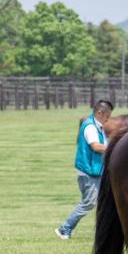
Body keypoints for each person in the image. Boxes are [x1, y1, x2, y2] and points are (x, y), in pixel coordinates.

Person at [55, 100, 113, 240]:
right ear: (99, 113)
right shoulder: (91, 127)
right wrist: (114, 147)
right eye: (107, 116)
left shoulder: (97, 127)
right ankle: (64, 229)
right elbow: (96, 147)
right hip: (89, 173)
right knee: (88, 203)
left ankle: (105, 232)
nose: (108, 119)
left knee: (104, 201)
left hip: (96, 171)